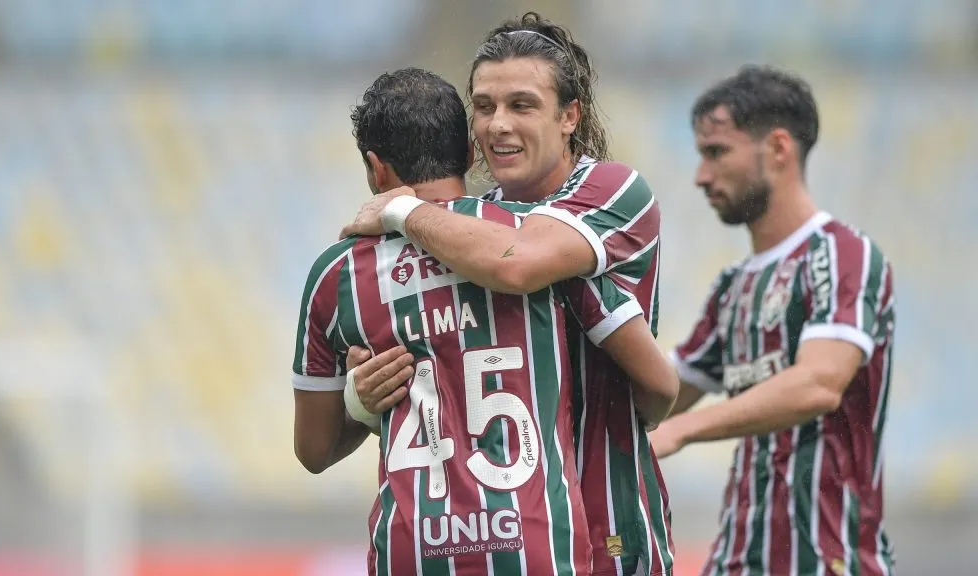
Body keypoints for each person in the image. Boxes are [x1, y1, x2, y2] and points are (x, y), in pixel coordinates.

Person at [292, 67, 674, 576]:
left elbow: (313, 450)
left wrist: (362, 407)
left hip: (411, 549)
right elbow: (657, 381)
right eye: (488, 107)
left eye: (521, 105)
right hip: (537, 544)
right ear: (470, 154)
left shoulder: (336, 276)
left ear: (374, 169)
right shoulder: (526, 240)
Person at [651, 65, 896, 576]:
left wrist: (686, 429)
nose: (700, 176)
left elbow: (819, 383)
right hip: (737, 560)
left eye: (716, 152)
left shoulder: (841, 255)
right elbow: (664, 393)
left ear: (778, 149)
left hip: (829, 562)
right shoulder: (733, 286)